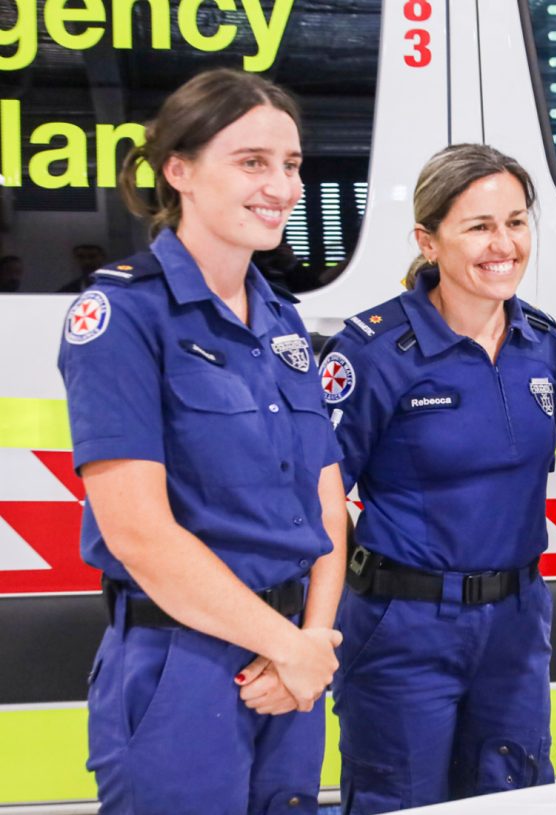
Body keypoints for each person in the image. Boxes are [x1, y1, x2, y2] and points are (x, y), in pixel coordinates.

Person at [57, 69, 346, 814]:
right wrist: (290, 647)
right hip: (183, 664)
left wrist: (310, 641)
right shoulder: (123, 315)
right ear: (178, 171)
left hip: (288, 666)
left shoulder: (280, 320)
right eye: (252, 162)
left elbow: (325, 506)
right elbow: (141, 535)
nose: (281, 186)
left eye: (290, 164)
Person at [322, 144, 556, 813]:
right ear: (428, 240)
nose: (504, 244)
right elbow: (317, 493)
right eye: (479, 226)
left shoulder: (539, 343)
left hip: (516, 624)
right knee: (401, 798)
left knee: (514, 797)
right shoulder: (372, 351)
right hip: (405, 625)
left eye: (516, 222)